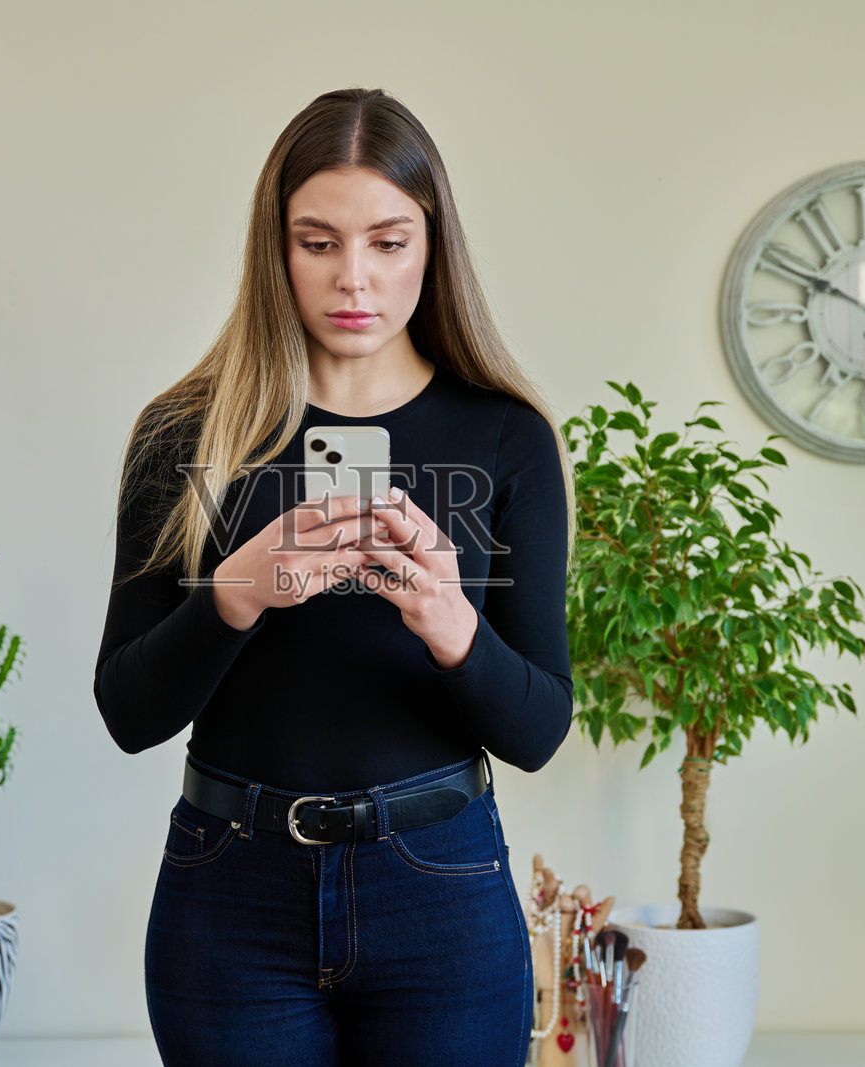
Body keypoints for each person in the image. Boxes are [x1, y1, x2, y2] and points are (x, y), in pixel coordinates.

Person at [93, 86, 576, 1066]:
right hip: (230, 889)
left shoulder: (504, 437)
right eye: (317, 241)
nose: (352, 276)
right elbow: (127, 711)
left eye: (388, 241)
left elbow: (538, 729)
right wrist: (237, 592)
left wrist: (452, 626)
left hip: (439, 885)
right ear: (275, 249)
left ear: (433, 246)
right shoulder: (185, 432)